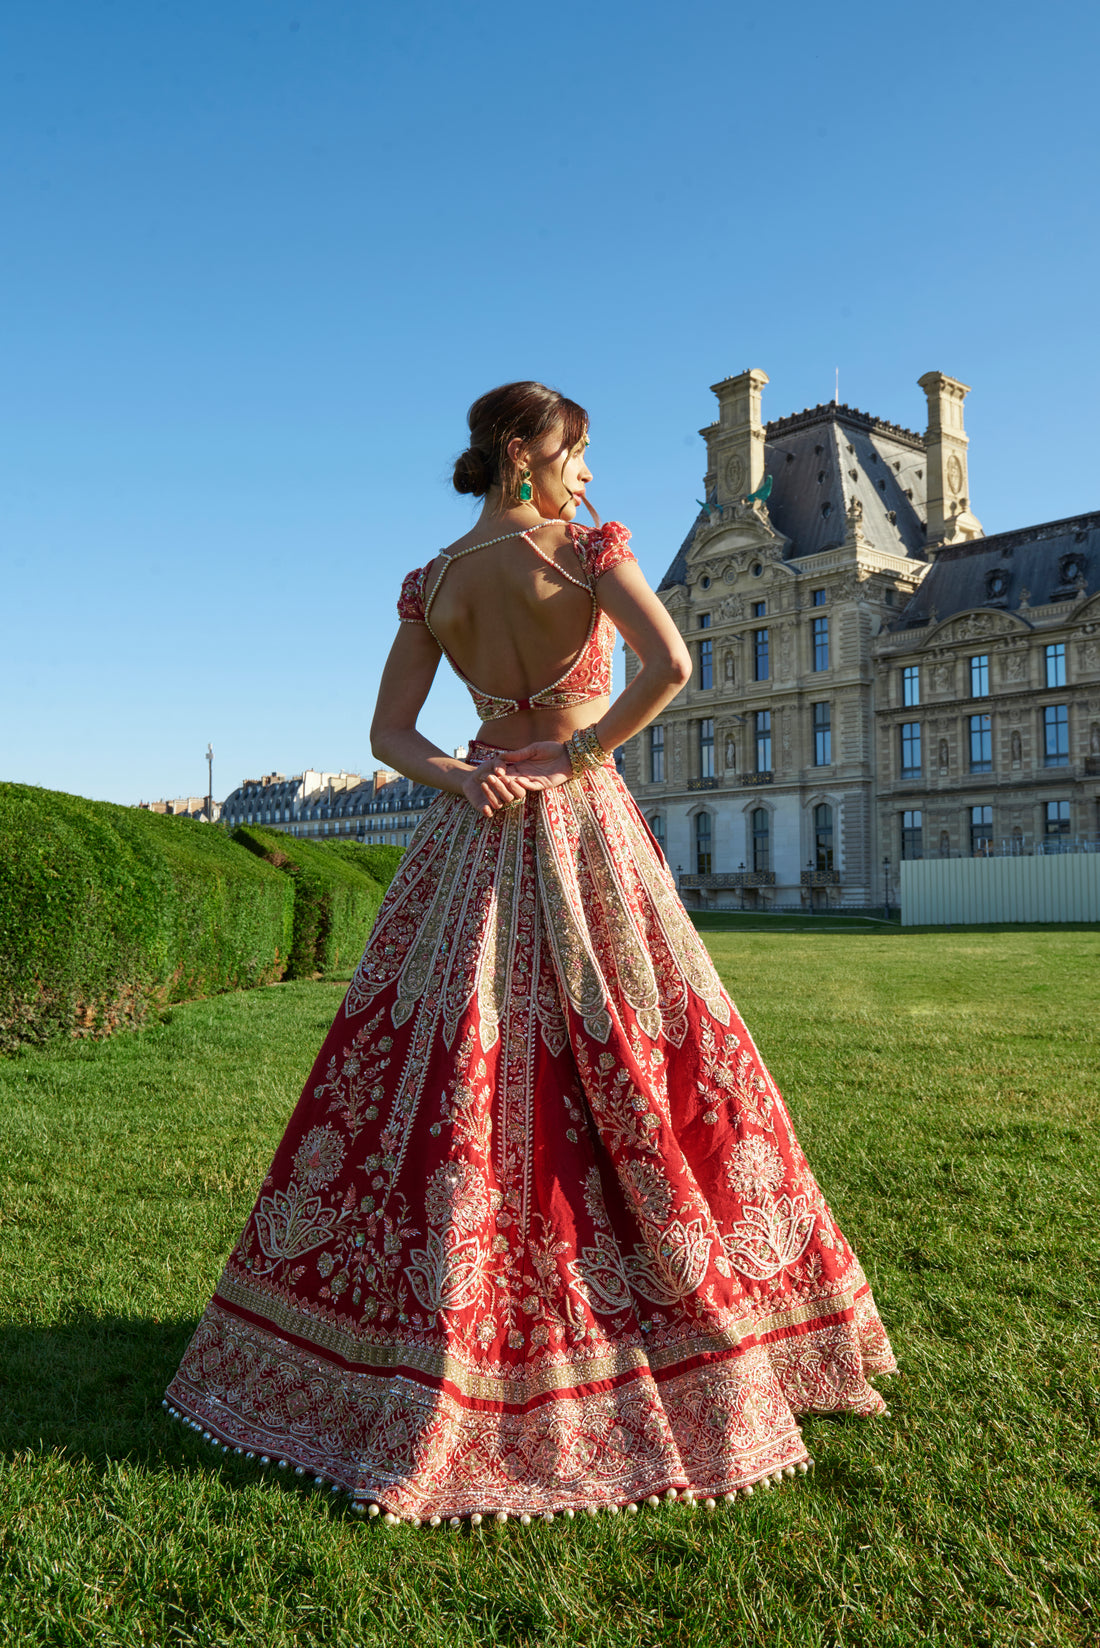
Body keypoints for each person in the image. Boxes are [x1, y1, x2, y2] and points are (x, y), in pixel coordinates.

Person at [165, 381, 895, 1527]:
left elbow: (387, 734)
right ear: (523, 452)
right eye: (575, 453)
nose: (586, 475)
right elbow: (669, 666)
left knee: (446, 1054)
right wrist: (582, 754)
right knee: (649, 1043)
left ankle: (406, 1323)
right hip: (578, 818)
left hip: (473, 826)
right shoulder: (586, 551)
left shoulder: (435, 581)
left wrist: (464, 775)